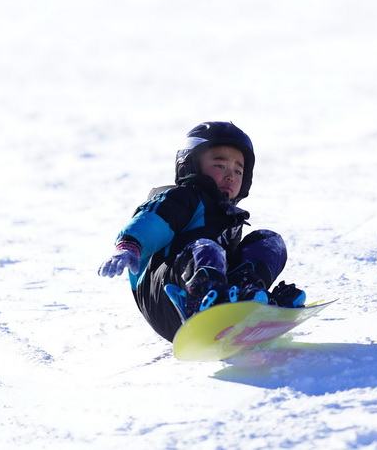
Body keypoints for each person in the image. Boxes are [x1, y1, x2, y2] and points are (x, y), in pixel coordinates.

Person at [98, 121, 306, 342]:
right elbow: (153, 220)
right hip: (165, 299)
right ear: (190, 165)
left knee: (268, 241)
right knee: (205, 247)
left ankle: (247, 297)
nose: (231, 176)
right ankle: (202, 302)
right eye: (220, 165)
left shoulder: (228, 216)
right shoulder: (181, 198)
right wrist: (130, 245)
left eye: (238, 170)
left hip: (214, 291)